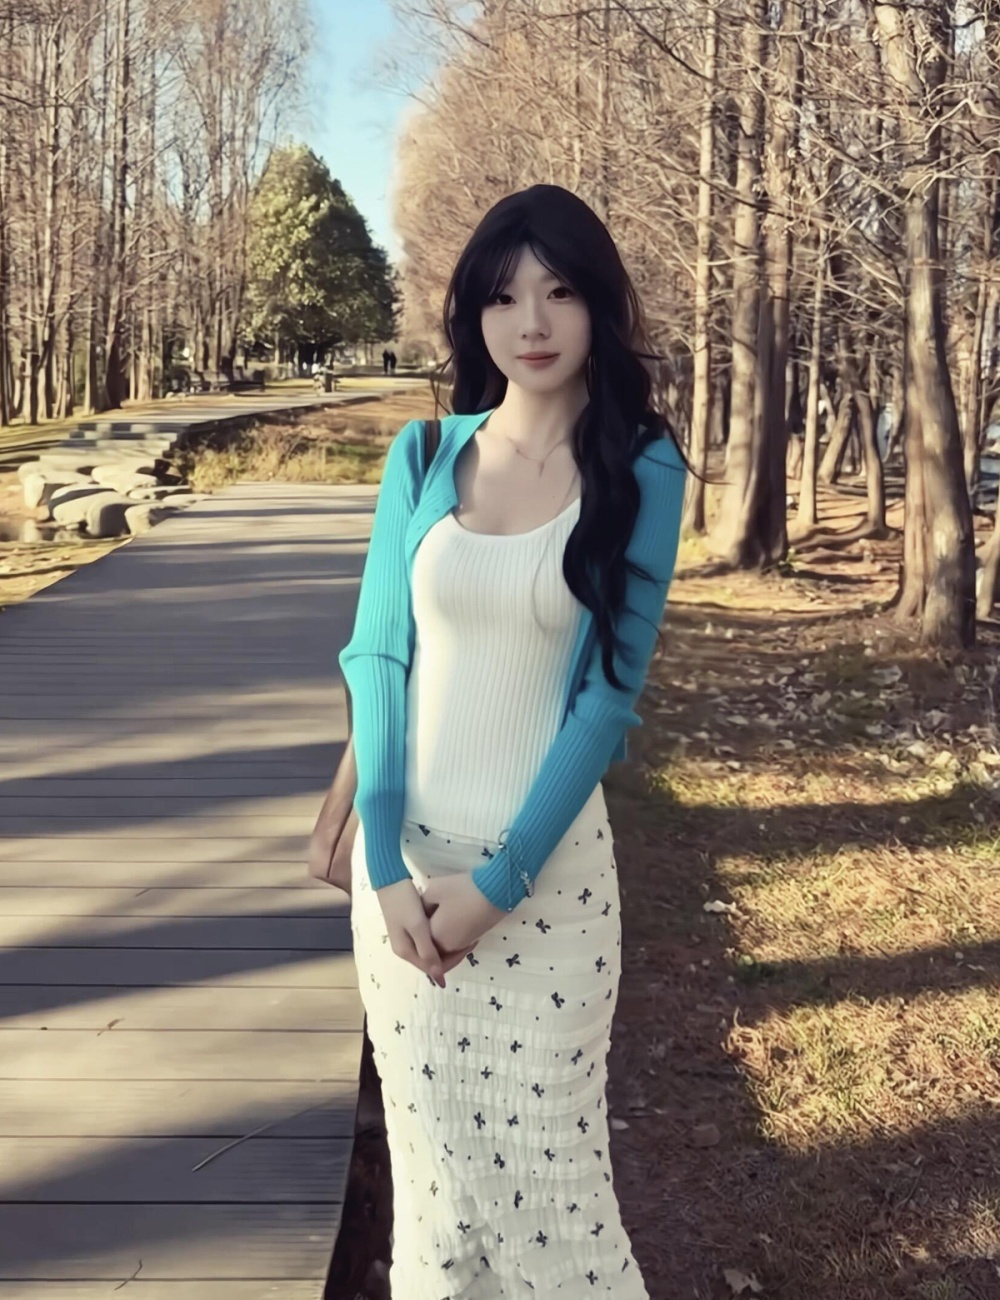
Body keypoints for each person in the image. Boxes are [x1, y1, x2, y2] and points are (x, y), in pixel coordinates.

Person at [337, 183, 686, 1299]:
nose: (530, 321)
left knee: (560, 1218)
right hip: (399, 888)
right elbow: (377, 657)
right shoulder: (422, 454)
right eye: (502, 296)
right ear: (472, 315)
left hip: (547, 892)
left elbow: (606, 700)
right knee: (436, 1212)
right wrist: (381, 862)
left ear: (598, 306)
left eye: (558, 290)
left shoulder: (643, 469)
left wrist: (499, 883)